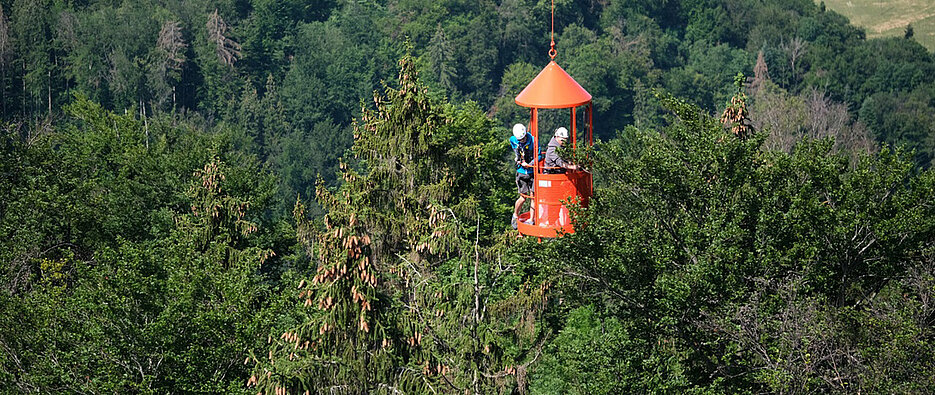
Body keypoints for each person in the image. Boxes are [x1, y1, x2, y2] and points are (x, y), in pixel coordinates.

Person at [509, 123, 535, 229]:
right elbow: (514, 147)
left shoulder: (533, 141)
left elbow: (538, 155)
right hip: (521, 171)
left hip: (531, 171)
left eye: (523, 139)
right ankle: (515, 215)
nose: (522, 141)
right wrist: (517, 158)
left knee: (533, 197)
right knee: (523, 197)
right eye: (520, 140)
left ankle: (531, 220)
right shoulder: (513, 139)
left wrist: (531, 164)